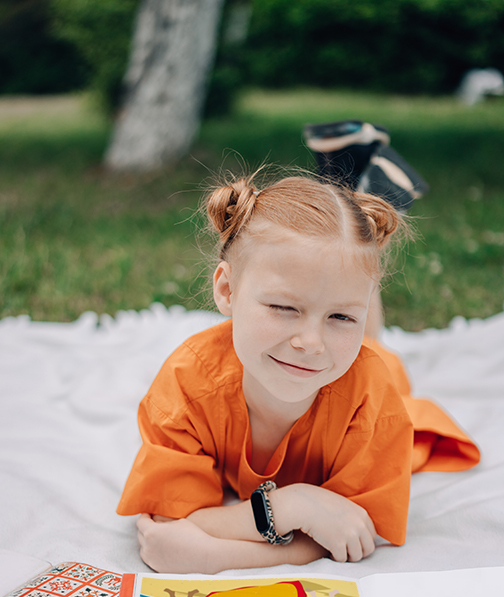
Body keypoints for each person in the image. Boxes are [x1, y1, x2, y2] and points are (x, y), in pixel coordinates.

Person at [117, 174, 479, 573]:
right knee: (347, 329)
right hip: (337, 369)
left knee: (376, 352)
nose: (310, 342)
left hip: (360, 375)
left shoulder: (373, 400)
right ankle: (358, 198)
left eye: (342, 315)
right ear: (227, 291)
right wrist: (290, 506)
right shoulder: (188, 382)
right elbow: (172, 518)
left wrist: (210, 555)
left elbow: (353, 530)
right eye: (284, 308)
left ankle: (364, 199)